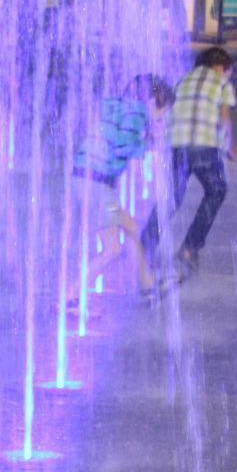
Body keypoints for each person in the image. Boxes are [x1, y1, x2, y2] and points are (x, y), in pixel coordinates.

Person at [69, 74, 176, 302]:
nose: (161, 117)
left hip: (88, 179)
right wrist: (149, 141)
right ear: (153, 100)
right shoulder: (136, 112)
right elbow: (123, 147)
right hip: (96, 183)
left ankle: (147, 288)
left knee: (133, 230)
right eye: (162, 111)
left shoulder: (120, 107)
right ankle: (70, 297)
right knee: (112, 249)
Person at [141, 46, 237, 279]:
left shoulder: (181, 81)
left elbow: (166, 110)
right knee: (217, 190)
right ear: (219, 67)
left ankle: (145, 246)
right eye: (228, 71)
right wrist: (229, 145)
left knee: (172, 198)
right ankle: (189, 247)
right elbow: (224, 117)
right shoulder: (221, 83)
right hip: (204, 146)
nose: (227, 75)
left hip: (176, 147)